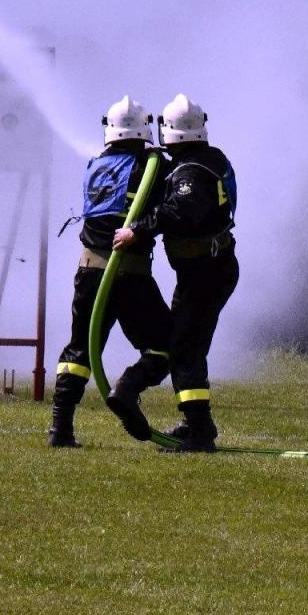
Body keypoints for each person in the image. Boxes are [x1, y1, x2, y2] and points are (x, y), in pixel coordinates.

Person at [46, 96, 173, 449]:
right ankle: (128, 388)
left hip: (88, 271)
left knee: (80, 350)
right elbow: (166, 208)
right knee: (166, 345)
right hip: (129, 274)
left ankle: (60, 429)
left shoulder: (96, 164)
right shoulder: (151, 165)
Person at [114, 93, 238, 452]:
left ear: (167, 130)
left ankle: (199, 430)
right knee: (186, 345)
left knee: (185, 347)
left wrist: (138, 229)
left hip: (206, 272)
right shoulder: (207, 160)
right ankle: (195, 423)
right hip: (206, 269)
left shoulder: (191, 173)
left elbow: (181, 211)